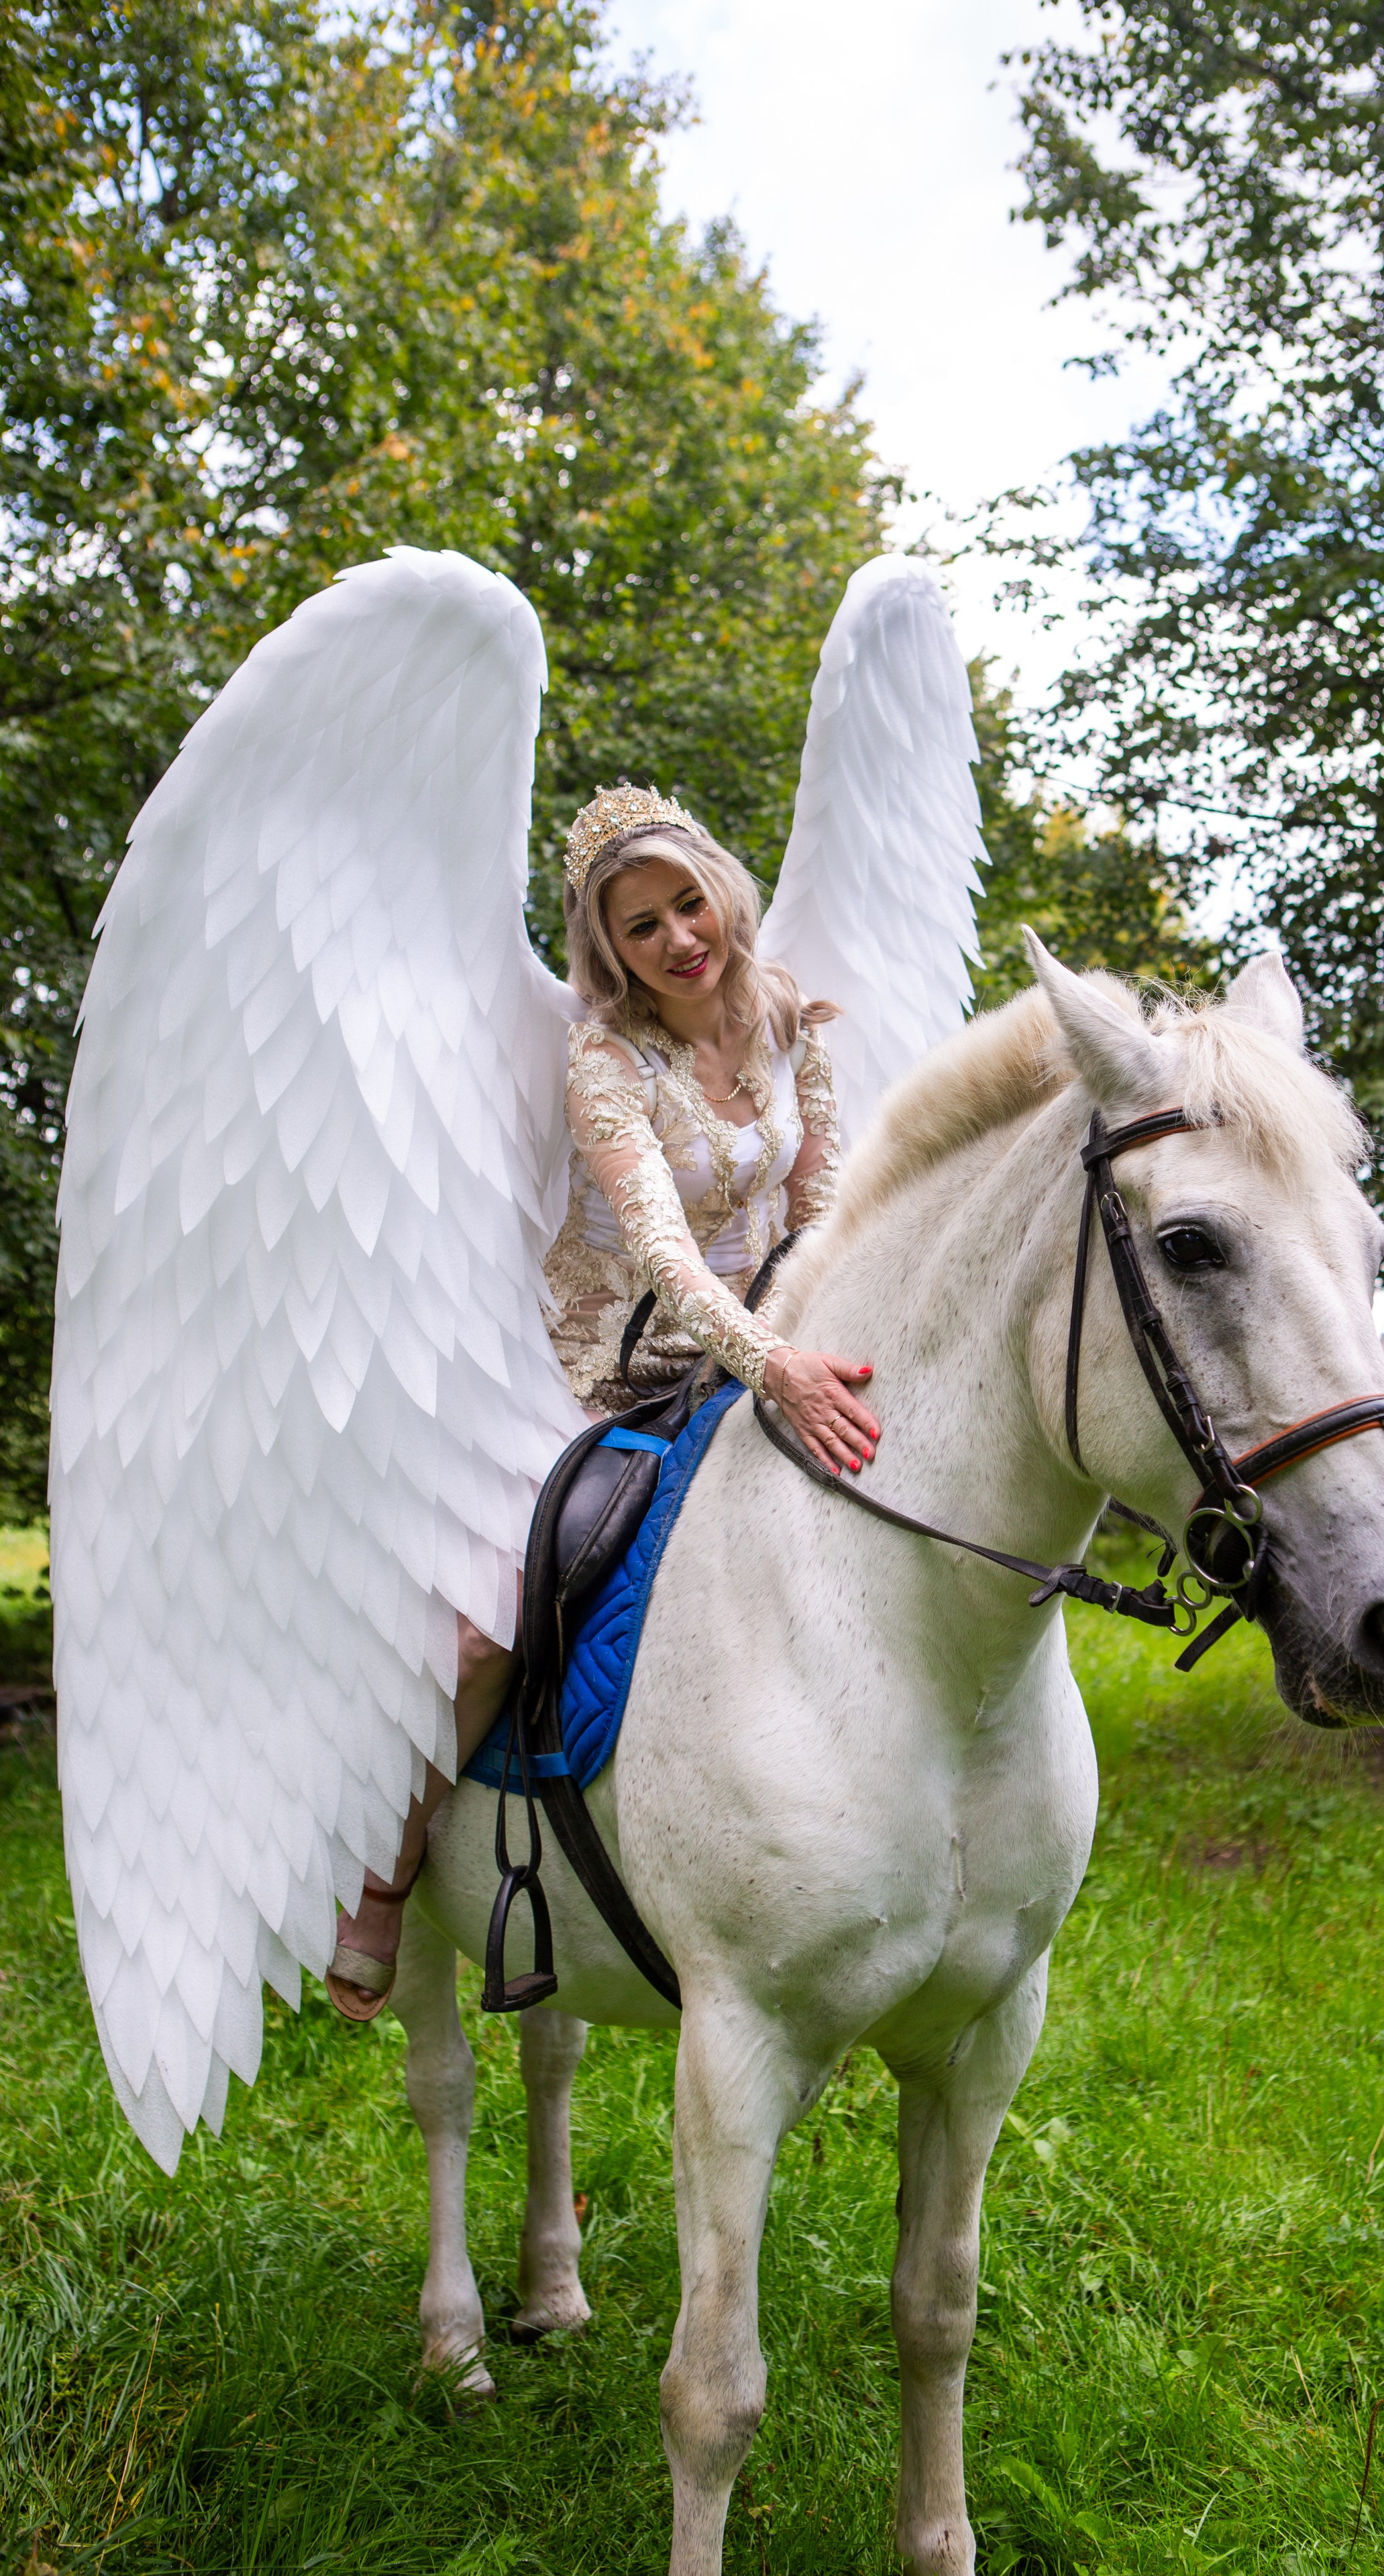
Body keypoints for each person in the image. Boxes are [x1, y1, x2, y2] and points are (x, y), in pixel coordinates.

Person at [326, 784, 882, 2016]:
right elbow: (663, 1253)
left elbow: (824, 1208)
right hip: (595, 1367)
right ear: (608, 949)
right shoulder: (605, 1054)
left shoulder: (790, 1018)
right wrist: (769, 1361)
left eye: (690, 904)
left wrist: (812, 1343)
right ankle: (388, 1866)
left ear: (721, 892)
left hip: (756, 1345)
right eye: (642, 926)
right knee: (489, 1623)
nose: (681, 938)